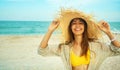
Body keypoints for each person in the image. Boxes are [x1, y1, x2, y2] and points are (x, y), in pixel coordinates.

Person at [38, 9, 120, 70]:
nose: (77, 26)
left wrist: (109, 33)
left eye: (81, 23)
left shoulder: (97, 47)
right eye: (74, 23)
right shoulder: (64, 48)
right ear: (70, 28)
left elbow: (117, 50)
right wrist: (50, 30)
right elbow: (42, 51)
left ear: (85, 27)